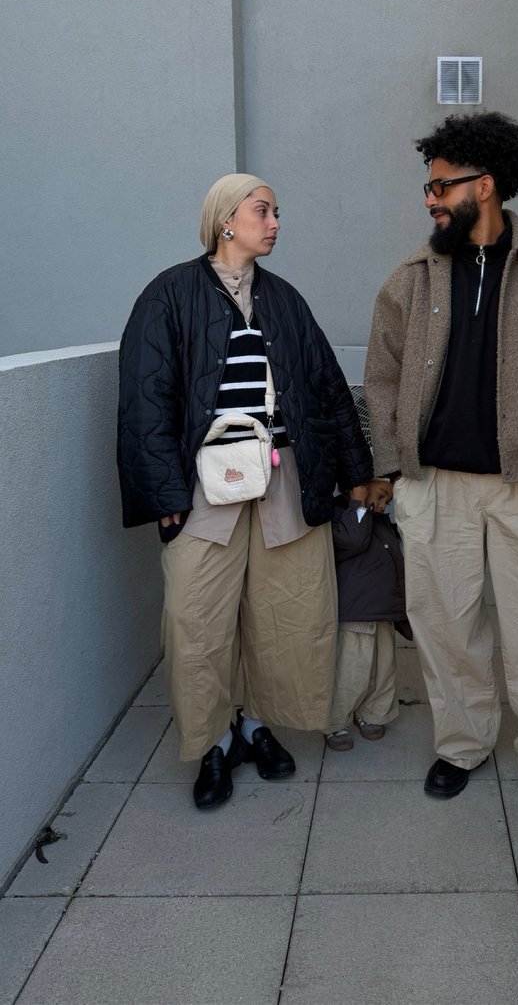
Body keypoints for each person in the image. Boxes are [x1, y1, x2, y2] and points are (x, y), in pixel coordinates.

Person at [364, 113, 518, 812]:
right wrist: (392, 464)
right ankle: (461, 745)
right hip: (435, 484)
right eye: (428, 186)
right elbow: (382, 376)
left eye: (440, 185)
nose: (429, 199)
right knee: (445, 626)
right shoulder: (409, 279)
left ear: (487, 185)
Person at [118, 173, 372, 809]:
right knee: (194, 618)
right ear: (226, 219)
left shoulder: (284, 299)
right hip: (206, 485)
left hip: (284, 479)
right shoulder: (169, 294)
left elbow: (327, 388)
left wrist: (358, 469)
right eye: (263, 211)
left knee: (286, 613)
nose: (276, 221)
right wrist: (165, 494)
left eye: (277, 212)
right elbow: (146, 401)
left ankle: (259, 725)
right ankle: (213, 742)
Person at [325, 481, 407, 751]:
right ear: (359, 487)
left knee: (384, 667)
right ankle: (336, 720)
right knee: (352, 668)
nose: (384, 505)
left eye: (388, 501)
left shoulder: (378, 518)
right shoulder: (342, 513)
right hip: (356, 609)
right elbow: (352, 540)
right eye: (381, 496)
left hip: (382, 607)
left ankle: (374, 712)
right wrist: (357, 503)